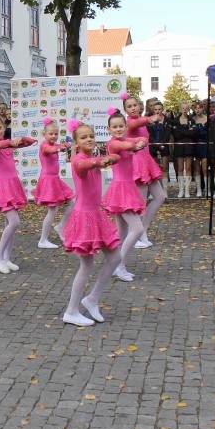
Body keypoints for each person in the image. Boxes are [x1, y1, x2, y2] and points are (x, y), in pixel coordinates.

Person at [61, 120, 122, 326]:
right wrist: (101, 162)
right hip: (84, 218)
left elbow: (104, 159)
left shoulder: (93, 157)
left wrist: (106, 159)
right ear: (76, 143)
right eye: (84, 137)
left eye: (91, 136)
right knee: (86, 265)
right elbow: (84, 165)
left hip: (96, 215)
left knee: (115, 258)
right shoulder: (79, 160)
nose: (89, 139)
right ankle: (71, 310)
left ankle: (92, 298)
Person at [0, 111, 36, 273]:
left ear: (5, 127)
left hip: (13, 184)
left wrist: (21, 140)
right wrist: (10, 142)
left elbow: (30, 142)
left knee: (10, 224)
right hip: (2, 187)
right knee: (14, 222)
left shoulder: (8, 144)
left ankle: (6, 258)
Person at [102, 111, 148, 281]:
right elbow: (132, 146)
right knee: (137, 229)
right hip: (121, 189)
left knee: (122, 230)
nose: (118, 129)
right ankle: (119, 265)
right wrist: (138, 143)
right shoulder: (114, 144)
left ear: (126, 127)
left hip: (127, 188)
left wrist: (140, 141)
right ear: (109, 129)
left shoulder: (123, 140)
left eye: (121, 126)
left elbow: (139, 141)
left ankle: (116, 265)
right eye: (114, 127)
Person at [123, 94, 165, 248]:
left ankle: (143, 230)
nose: (133, 108)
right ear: (125, 110)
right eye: (130, 106)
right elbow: (136, 124)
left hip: (147, 160)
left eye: (135, 105)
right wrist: (148, 119)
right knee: (140, 202)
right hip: (137, 163)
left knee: (160, 197)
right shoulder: (129, 122)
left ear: (140, 106)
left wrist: (150, 119)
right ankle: (135, 233)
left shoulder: (140, 121)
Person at [32, 117, 74, 249]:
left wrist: (71, 144)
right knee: (52, 210)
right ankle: (43, 239)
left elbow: (61, 146)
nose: (54, 136)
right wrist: (60, 149)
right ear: (44, 134)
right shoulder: (44, 145)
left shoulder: (55, 145)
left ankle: (60, 226)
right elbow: (49, 150)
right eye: (51, 134)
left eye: (56, 134)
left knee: (74, 201)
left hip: (55, 180)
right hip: (48, 181)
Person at [170, 102, 195, 198]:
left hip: (189, 146)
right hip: (179, 146)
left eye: (186, 108)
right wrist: (187, 132)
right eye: (183, 108)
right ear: (180, 109)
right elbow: (176, 135)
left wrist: (181, 131)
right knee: (180, 168)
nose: (184, 110)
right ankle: (181, 190)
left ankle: (187, 190)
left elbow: (193, 133)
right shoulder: (175, 121)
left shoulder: (191, 120)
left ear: (188, 109)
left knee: (188, 168)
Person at [147, 101, 172, 188]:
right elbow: (149, 135)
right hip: (153, 147)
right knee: (153, 169)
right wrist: (156, 145)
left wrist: (162, 145)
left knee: (164, 168)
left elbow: (168, 134)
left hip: (164, 146)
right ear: (153, 110)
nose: (157, 111)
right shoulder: (149, 120)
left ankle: (165, 191)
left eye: (159, 109)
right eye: (155, 109)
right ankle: (154, 191)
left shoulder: (167, 120)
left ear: (162, 109)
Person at [192, 101, 209, 197]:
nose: (198, 110)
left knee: (205, 168)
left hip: (205, 145)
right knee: (197, 168)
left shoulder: (208, 119)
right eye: (196, 108)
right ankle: (199, 189)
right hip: (195, 145)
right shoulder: (192, 120)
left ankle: (207, 189)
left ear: (203, 109)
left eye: (200, 108)